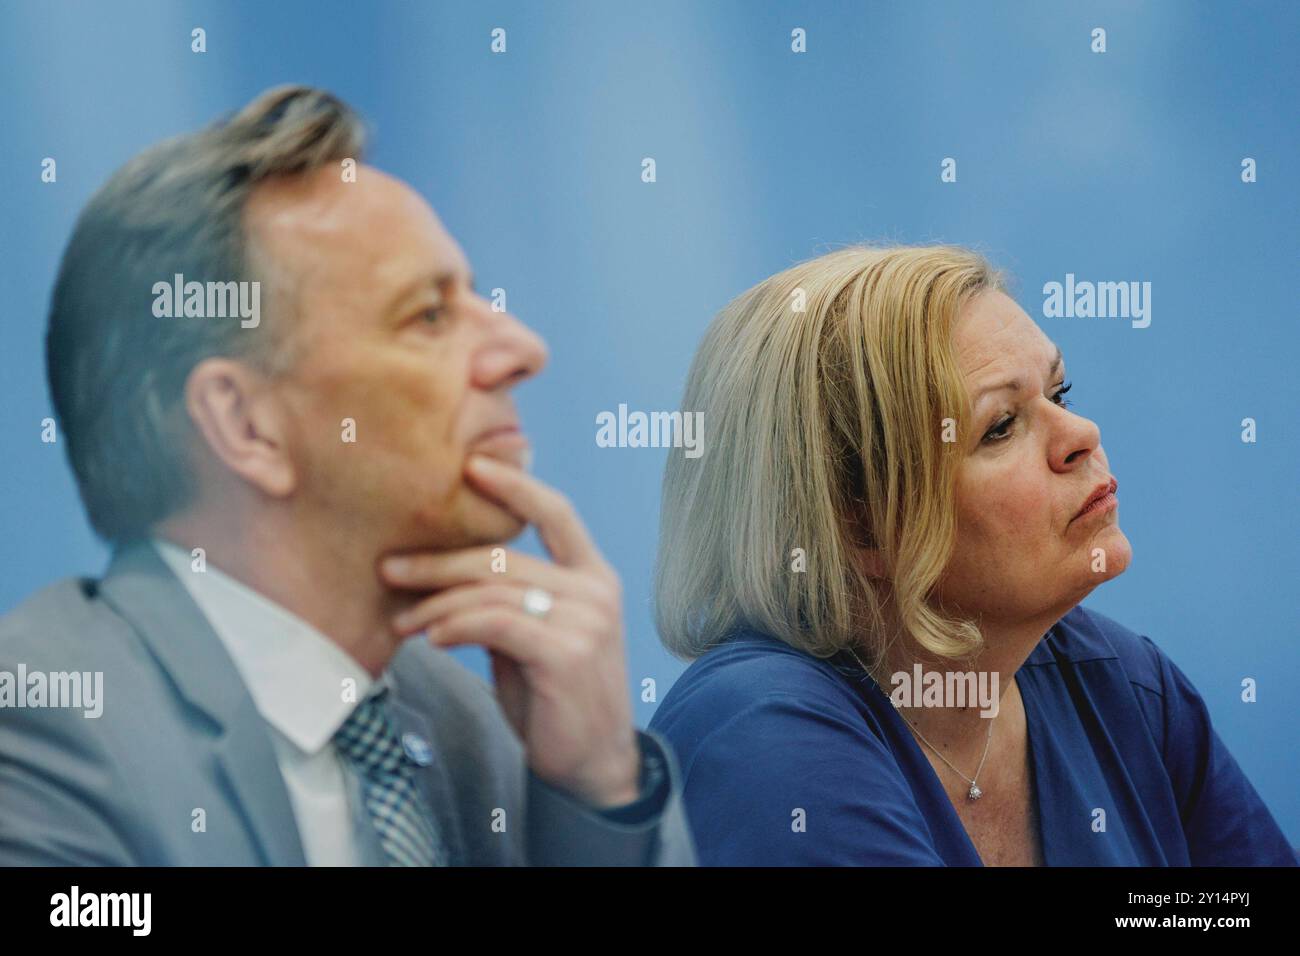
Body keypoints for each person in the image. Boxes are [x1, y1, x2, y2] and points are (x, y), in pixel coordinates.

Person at [0, 86, 695, 866]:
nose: (523, 348)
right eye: (428, 316)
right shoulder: (45, 721)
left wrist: (599, 797)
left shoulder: (478, 724)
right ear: (245, 425)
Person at [647, 244, 1295, 866]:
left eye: (1059, 395)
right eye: (1001, 426)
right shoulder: (762, 731)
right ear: (861, 527)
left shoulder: (1121, 682)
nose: (1081, 435)